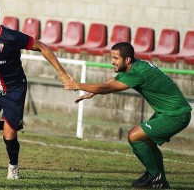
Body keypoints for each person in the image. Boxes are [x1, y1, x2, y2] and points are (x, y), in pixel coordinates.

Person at [0, 0, 69, 179]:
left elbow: (42, 47)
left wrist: (62, 74)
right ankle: (8, 125)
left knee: (9, 136)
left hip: (14, 89)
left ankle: (13, 166)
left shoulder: (12, 37)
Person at [63, 42, 192, 189]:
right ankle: (159, 180)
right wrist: (92, 93)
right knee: (148, 142)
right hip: (170, 112)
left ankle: (154, 175)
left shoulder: (138, 73)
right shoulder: (136, 66)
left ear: (127, 60)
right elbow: (113, 80)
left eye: (116, 58)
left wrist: (78, 85)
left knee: (134, 136)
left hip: (175, 115)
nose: (112, 61)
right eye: (111, 57)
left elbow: (109, 87)